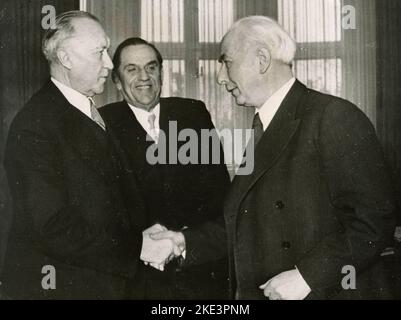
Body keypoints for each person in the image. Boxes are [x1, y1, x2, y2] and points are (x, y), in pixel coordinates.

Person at [152, 16, 397, 300]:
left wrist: (307, 276)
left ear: (261, 60)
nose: (220, 77)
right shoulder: (265, 126)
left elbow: (373, 221)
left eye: (226, 62)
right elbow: (245, 222)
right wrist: (182, 241)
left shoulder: (333, 116)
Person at [1, 11, 149, 299]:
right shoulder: (36, 124)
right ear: (66, 59)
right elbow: (51, 225)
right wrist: (138, 246)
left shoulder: (87, 112)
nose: (109, 63)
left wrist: (142, 235)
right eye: (100, 52)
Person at [99, 37, 230, 299]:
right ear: (116, 80)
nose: (144, 77)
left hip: (197, 270)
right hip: (138, 279)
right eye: (132, 69)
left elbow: (220, 192)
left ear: (161, 72)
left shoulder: (193, 113)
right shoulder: (102, 123)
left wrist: (184, 241)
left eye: (151, 67)